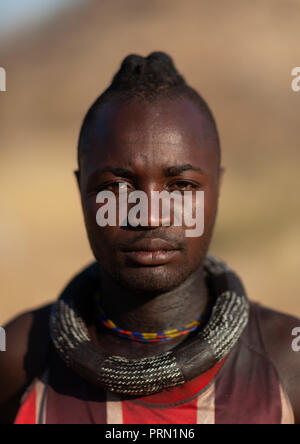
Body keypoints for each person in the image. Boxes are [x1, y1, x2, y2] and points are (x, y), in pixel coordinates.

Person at [0, 52, 299, 425]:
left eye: (182, 186)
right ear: (82, 192)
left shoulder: (287, 363)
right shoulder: (21, 357)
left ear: (217, 189)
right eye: (117, 187)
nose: (150, 214)